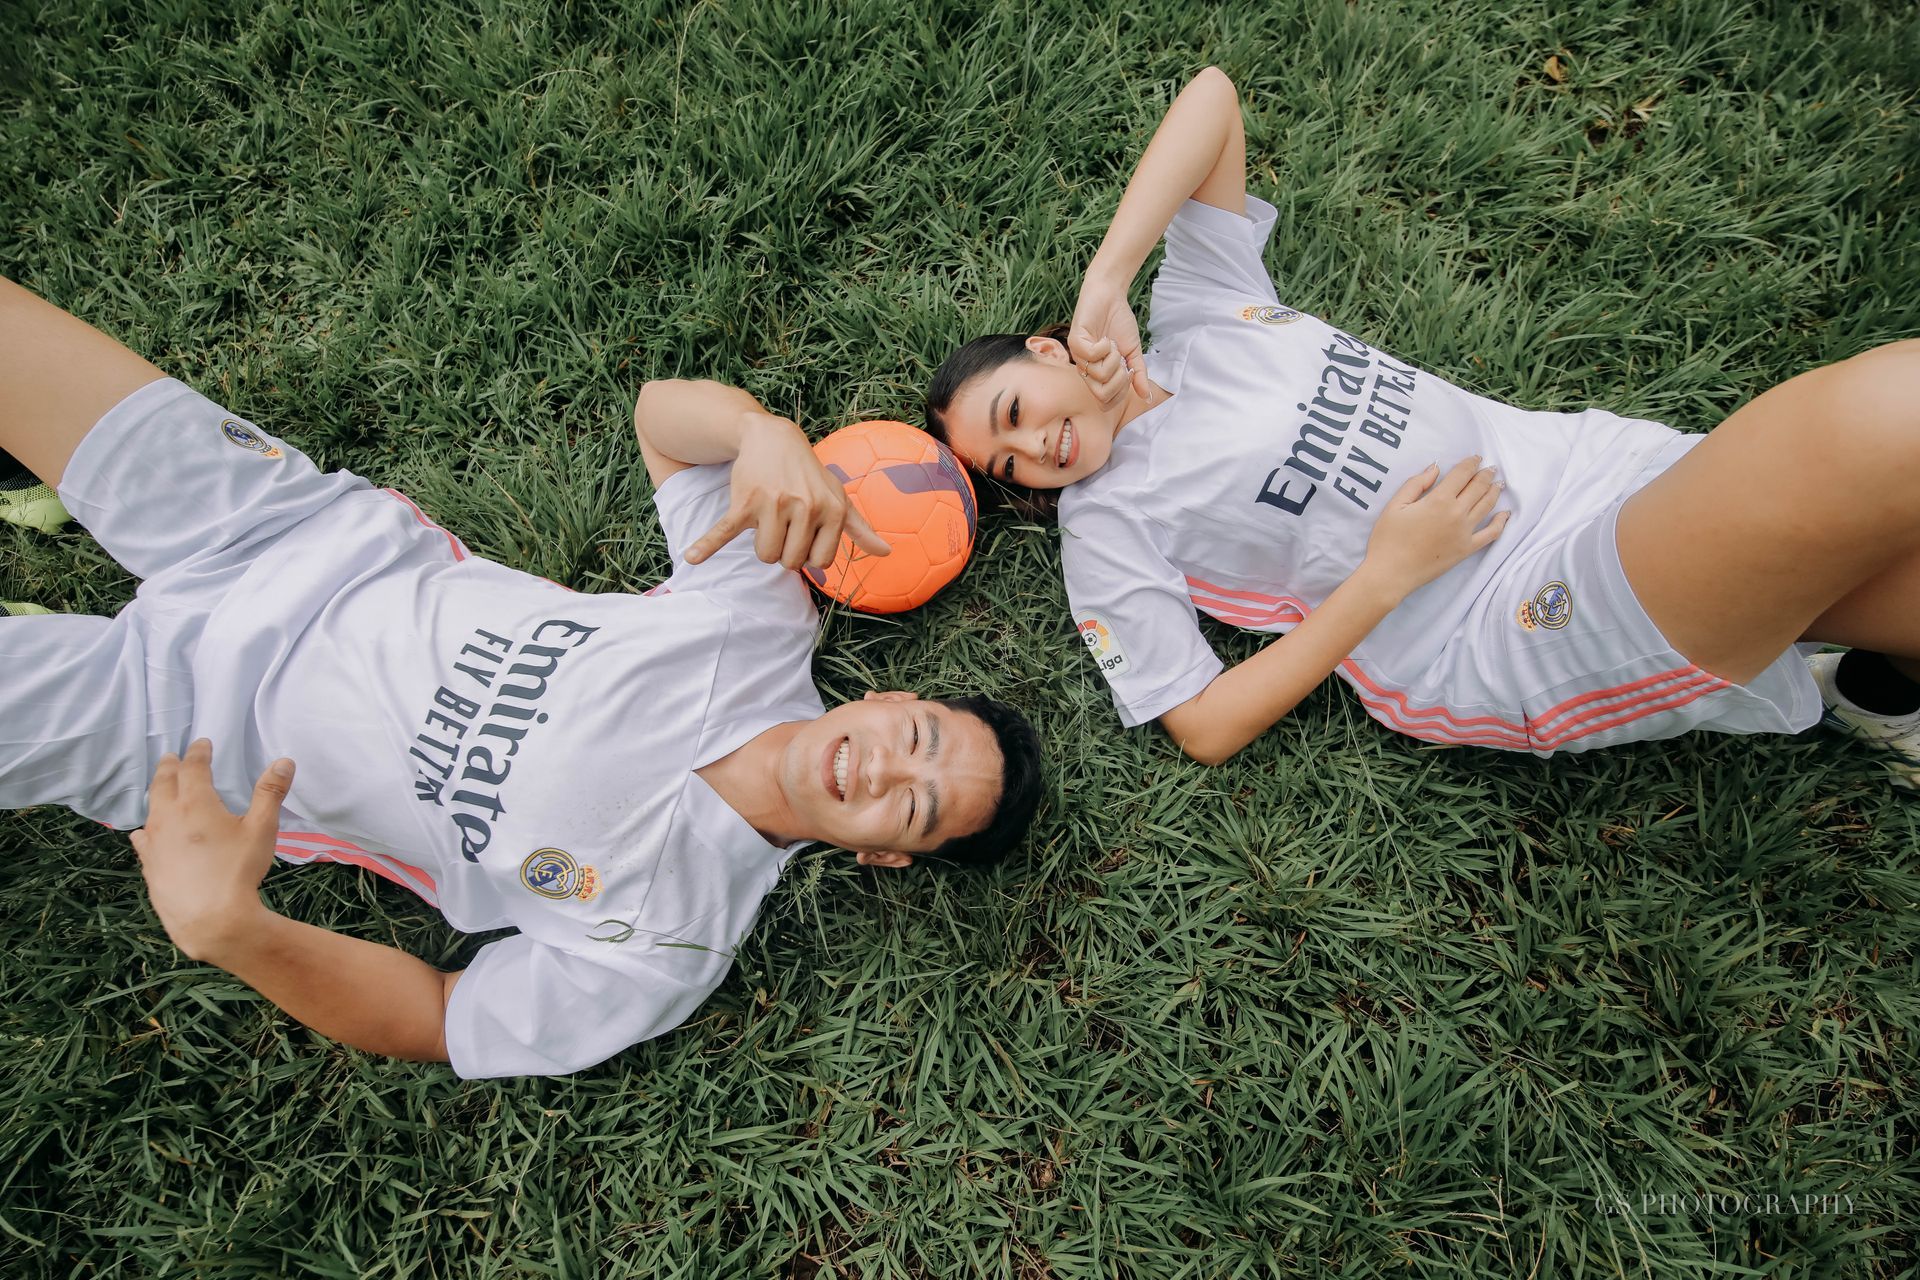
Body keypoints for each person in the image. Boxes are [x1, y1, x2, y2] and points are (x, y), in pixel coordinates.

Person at [0, 277, 1043, 1078]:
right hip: (289, 526)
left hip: (178, 735)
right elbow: (660, 420)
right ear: (889, 701)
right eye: (920, 740)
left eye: (913, 810)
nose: (886, 772)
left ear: (882, 855)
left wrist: (238, 933)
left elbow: (439, 1015)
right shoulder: (762, 619)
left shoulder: (668, 944)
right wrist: (757, 431)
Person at [926, 68, 1920, 784]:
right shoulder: (1106, 523)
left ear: (1048, 350)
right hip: (1500, 615)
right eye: (1009, 464)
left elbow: (1214, 98)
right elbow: (1202, 725)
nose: (1033, 450)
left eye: (1014, 413)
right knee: (1879, 420)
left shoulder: (1198, 311)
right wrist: (1384, 576)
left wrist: (1108, 277)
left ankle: (1880, 694)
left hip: (1577, 464)